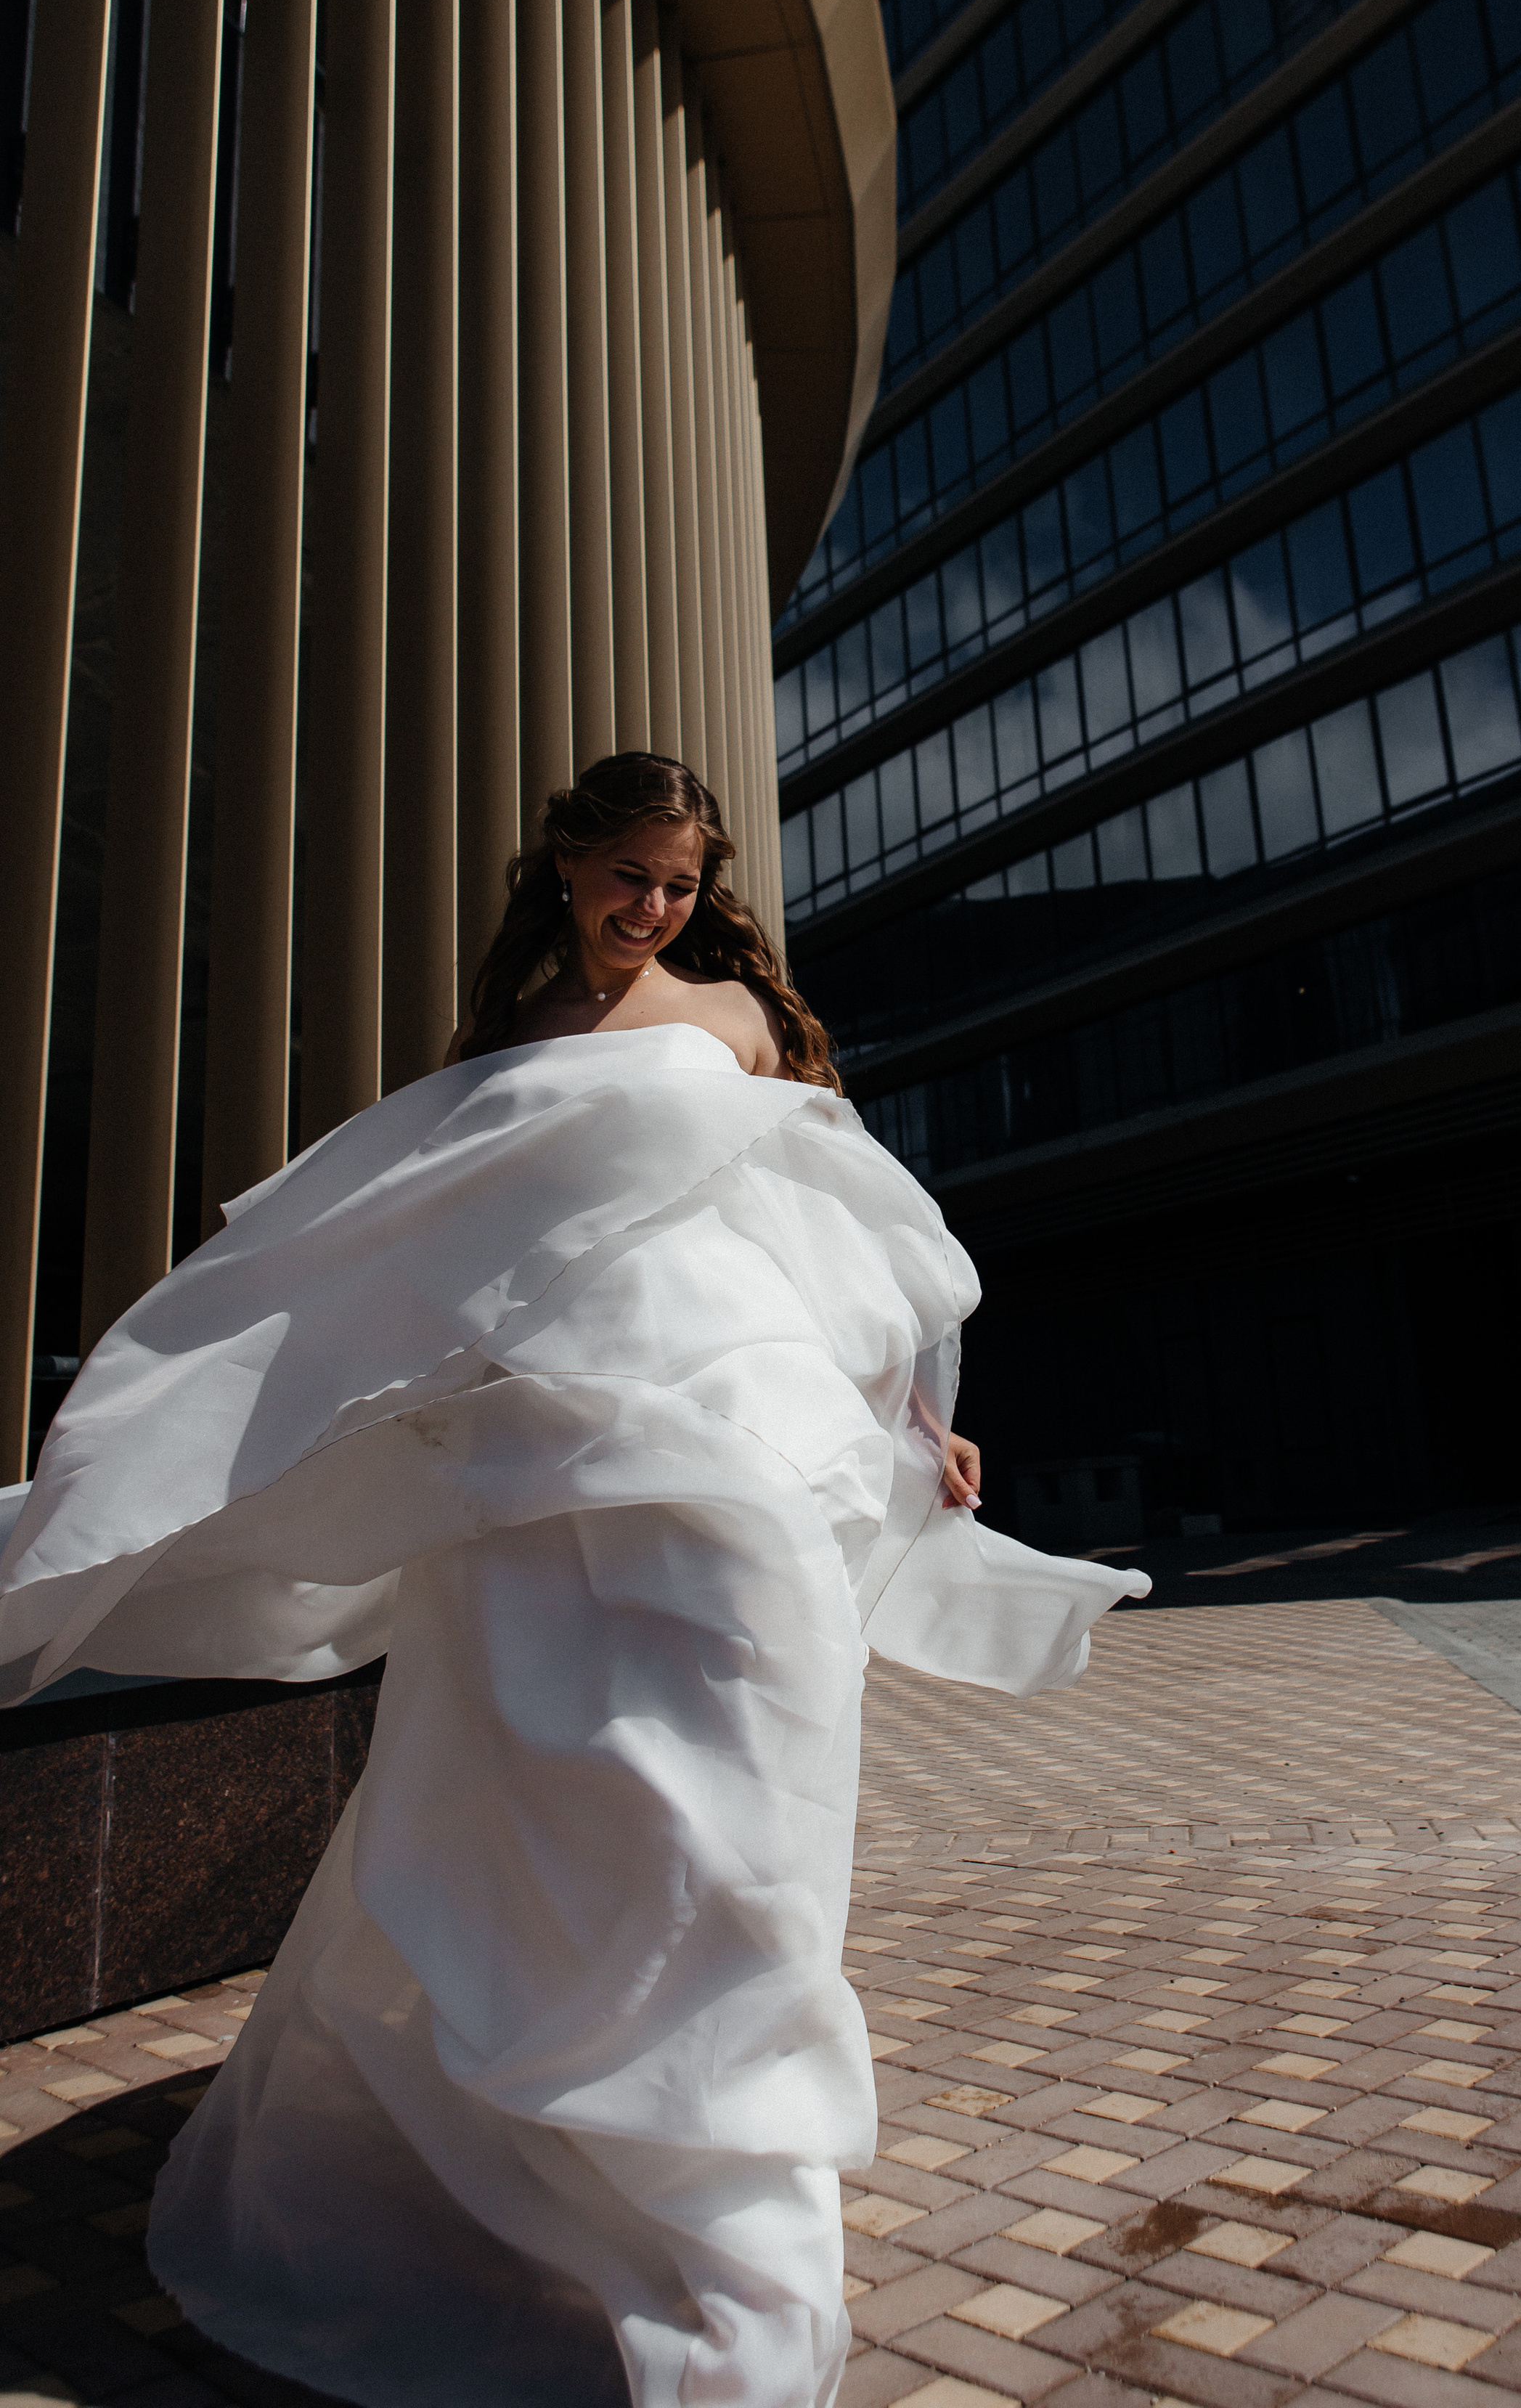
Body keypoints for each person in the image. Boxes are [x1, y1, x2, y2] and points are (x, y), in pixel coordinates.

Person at [0, 753, 1146, 2408]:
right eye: (627, 876)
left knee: (741, 1782)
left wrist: (910, 1425)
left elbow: (843, 1248)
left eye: (678, 884)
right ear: (566, 869)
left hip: (735, 1449)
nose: (653, 908)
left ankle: (718, 2134)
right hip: (540, 1472)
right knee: (537, 1787)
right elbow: (434, 1270)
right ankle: (542, 2138)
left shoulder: (742, 1022)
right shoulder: (511, 1045)